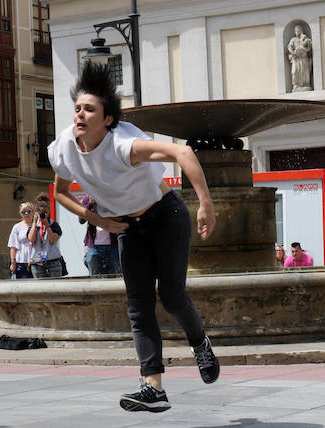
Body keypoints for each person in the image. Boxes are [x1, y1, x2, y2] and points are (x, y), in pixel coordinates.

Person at [49, 62, 219, 412]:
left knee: (171, 297)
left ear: (107, 119)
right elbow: (61, 192)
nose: (80, 114)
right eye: (78, 108)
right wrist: (94, 218)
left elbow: (183, 152)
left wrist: (205, 204)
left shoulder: (124, 145)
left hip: (166, 217)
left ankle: (200, 343)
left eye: (89, 109)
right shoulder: (64, 146)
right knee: (138, 306)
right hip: (128, 228)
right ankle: (153, 387)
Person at [79, 195, 120, 275]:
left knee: (117, 276)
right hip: (93, 247)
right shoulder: (87, 199)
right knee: (94, 278)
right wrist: (90, 204)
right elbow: (81, 220)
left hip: (113, 246)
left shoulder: (113, 198)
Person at [28, 195, 64, 278]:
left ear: (49, 211)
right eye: (41, 212)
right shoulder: (33, 226)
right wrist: (34, 222)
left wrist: (47, 225)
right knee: (39, 289)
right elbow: (31, 239)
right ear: (36, 211)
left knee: (56, 287)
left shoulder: (53, 225)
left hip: (53, 261)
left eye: (45, 212)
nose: (43, 215)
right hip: (37, 263)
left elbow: (53, 240)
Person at [7, 202, 35, 279]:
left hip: (36, 261)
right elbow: (13, 246)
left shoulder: (37, 225)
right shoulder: (17, 227)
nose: (26, 214)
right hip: (21, 261)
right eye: (23, 212)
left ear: (33, 212)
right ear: (21, 214)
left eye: (29, 211)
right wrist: (13, 263)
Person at [287, 26, 312, 92]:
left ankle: (305, 84)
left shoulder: (304, 38)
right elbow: (289, 47)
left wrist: (306, 46)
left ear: (301, 31)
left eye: (298, 30)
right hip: (296, 57)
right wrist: (292, 52)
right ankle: (296, 84)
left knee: (304, 71)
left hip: (303, 57)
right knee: (295, 71)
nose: (297, 32)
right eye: (296, 31)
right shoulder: (293, 39)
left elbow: (309, 47)